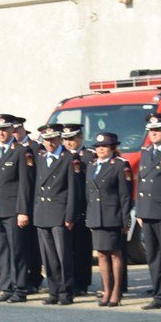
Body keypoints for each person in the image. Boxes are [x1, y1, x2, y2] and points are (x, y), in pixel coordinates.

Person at [0, 114, 35, 303]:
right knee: (1, 251)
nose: (1, 133)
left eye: (4, 129)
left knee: (17, 251)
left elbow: (25, 184)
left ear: (12, 130)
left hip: (12, 210)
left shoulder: (22, 151)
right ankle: (6, 287)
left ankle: (20, 289)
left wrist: (23, 211)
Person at [32, 124, 80, 304]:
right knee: (48, 256)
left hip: (60, 213)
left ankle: (66, 292)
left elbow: (73, 190)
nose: (49, 143)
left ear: (59, 139)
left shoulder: (69, 158)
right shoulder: (41, 157)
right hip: (43, 213)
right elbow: (36, 187)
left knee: (63, 256)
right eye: (46, 140)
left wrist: (69, 216)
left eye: (53, 139)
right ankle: (53, 291)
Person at [86, 132, 134, 307]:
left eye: (104, 147)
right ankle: (106, 290)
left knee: (115, 253)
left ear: (113, 149)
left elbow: (125, 195)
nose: (100, 150)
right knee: (101, 254)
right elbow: (89, 194)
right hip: (96, 217)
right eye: (98, 147)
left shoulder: (120, 166)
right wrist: (89, 217)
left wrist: (124, 219)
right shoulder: (91, 166)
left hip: (113, 216)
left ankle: (116, 291)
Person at [8, 117, 44, 292]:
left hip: (34, 201)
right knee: (21, 245)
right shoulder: (13, 150)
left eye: (16, 130)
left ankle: (35, 277)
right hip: (19, 203)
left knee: (32, 244)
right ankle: (25, 279)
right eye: (11, 131)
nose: (14, 134)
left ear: (23, 129)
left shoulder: (35, 148)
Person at [62, 125, 94, 296]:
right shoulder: (62, 156)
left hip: (82, 207)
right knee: (67, 248)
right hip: (64, 207)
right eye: (66, 139)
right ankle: (69, 281)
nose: (68, 142)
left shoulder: (88, 156)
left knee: (82, 247)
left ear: (80, 138)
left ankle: (82, 283)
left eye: (72, 139)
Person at [137, 115, 161, 310]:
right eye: (151, 130)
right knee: (153, 256)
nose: (153, 133)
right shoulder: (146, 152)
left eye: (157, 129)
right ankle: (159, 295)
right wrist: (139, 210)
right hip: (147, 211)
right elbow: (141, 182)